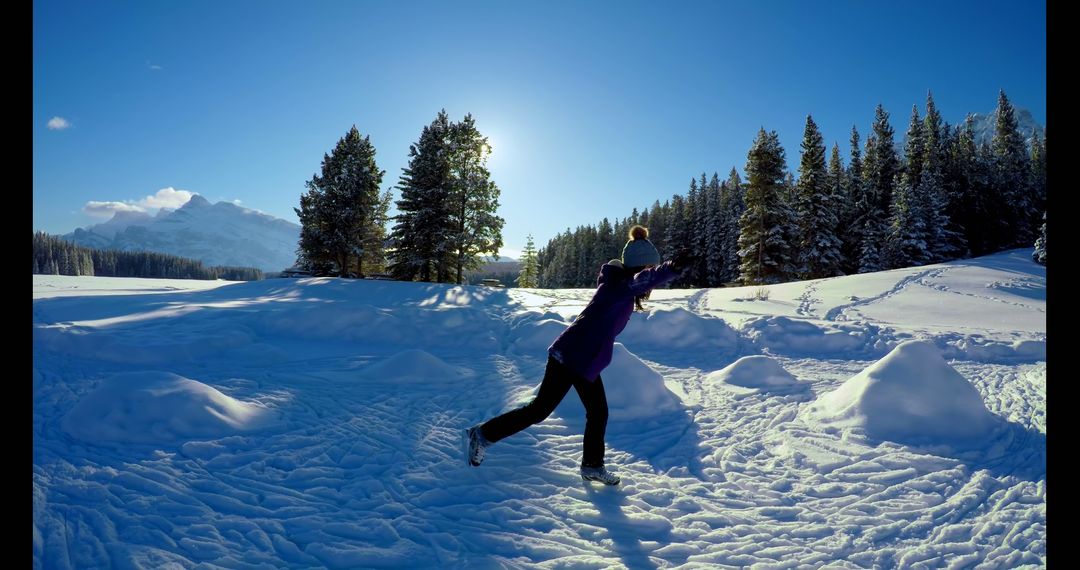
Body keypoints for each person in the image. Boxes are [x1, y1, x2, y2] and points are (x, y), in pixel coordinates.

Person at [464, 225, 691, 485]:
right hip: (570, 356)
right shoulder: (619, 287)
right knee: (539, 410)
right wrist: (672, 268)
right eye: (648, 269)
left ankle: (592, 466)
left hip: (585, 361)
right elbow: (644, 280)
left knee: (598, 412)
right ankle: (481, 435)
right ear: (640, 269)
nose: (650, 282)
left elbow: (641, 282)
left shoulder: (621, 288)